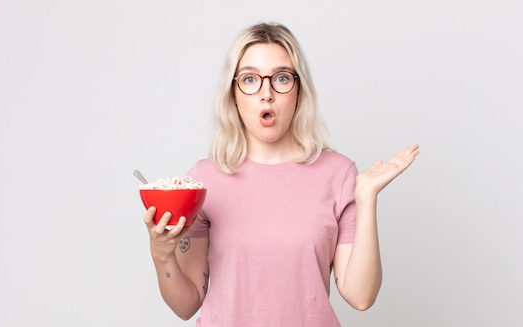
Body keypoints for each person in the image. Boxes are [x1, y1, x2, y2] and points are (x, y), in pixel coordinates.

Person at [143, 22, 419, 326]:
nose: (266, 93)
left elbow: (360, 296)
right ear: (233, 94)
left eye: (282, 78)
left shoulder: (339, 174)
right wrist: (162, 254)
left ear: (299, 92)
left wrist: (366, 197)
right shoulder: (202, 181)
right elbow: (186, 305)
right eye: (250, 79)